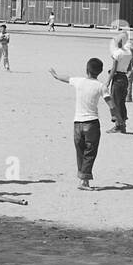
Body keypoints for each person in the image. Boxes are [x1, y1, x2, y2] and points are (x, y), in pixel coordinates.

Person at [50, 58, 107, 189]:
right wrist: (117, 117)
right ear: (100, 71)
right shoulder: (101, 86)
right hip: (92, 123)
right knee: (90, 151)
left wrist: (55, 75)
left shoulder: (79, 81)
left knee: (80, 150)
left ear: (87, 69)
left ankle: (82, 176)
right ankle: (84, 181)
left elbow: (67, 78)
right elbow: (110, 103)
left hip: (77, 123)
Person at [107, 31, 132, 132]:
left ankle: (119, 125)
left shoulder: (117, 53)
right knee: (121, 102)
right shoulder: (129, 52)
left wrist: (108, 80)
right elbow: (129, 68)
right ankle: (123, 124)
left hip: (117, 79)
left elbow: (113, 69)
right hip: (124, 78)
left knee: (115, 102)